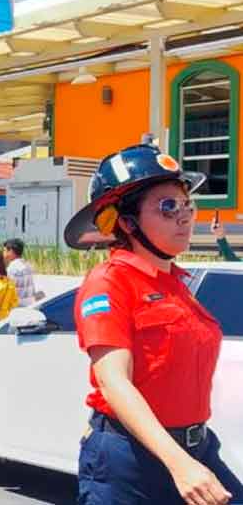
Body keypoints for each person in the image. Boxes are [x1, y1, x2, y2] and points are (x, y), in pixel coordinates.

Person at [66, 144, 242, 505]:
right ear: (127, 223)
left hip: (196, 448)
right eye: (168, 207)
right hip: (130, 461)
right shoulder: (110, 282)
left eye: (187, 205)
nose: (185, 216)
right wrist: (179, 464)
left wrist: (188, 458)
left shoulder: (177, 284)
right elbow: (114, 381)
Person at [2, 238, 41, 306]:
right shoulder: (28, 265)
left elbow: (9, 292)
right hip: (30, 303)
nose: (3, 253)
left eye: (4, 250)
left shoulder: (12, 268)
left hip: (18, 306)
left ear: (11, 251)